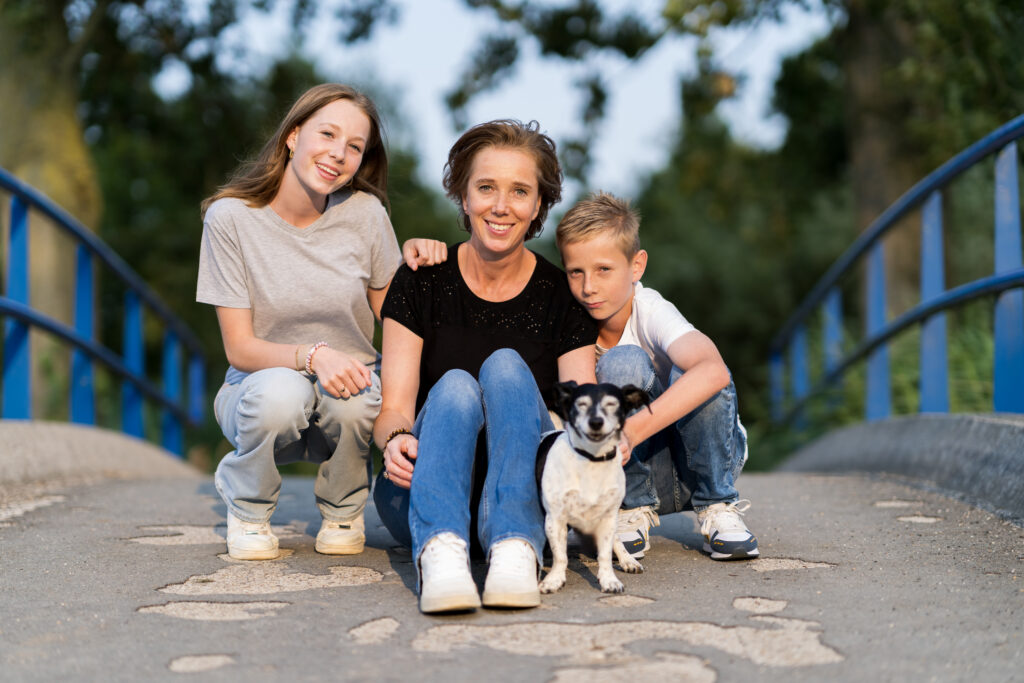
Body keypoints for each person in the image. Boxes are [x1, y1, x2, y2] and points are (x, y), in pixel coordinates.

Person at [196, 83, 439, 561]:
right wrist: (313, 356)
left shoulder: (367, 214)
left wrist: (425, 266)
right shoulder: (229, 219)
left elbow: (397, 321)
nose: (338, 154)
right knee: (281, 392)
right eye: (327, 134)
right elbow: (239, 348)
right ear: (293, 136)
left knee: (359, 393)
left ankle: (344, 509)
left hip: (345, 398)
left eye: (354, 146)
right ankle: (247, 508)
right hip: (257, 392)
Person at [372, 119, 599, 614]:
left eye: (520, 191)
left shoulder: (562, 299)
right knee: (454, 386)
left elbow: (583, 420)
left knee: (503, 367)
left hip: (528, 495)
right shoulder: (419, 283)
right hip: (421, 492)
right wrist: (394, 442)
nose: (501, 206)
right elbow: (393, 410)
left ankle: (516, 547)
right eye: (486, 188)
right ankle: (441, 555)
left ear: (539, 203)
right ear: (463, 195)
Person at [555, 191, 759, 562]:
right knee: (611, 375)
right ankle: (630, 509)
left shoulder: (650, 310)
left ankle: (718, 505)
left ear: (636, 266)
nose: (589, 287)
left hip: (698, 466)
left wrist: (630, 432)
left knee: (675, 368)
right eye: (576, 272)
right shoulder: (569, 325)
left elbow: (714, 371)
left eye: (604, 270)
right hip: (628, 473)